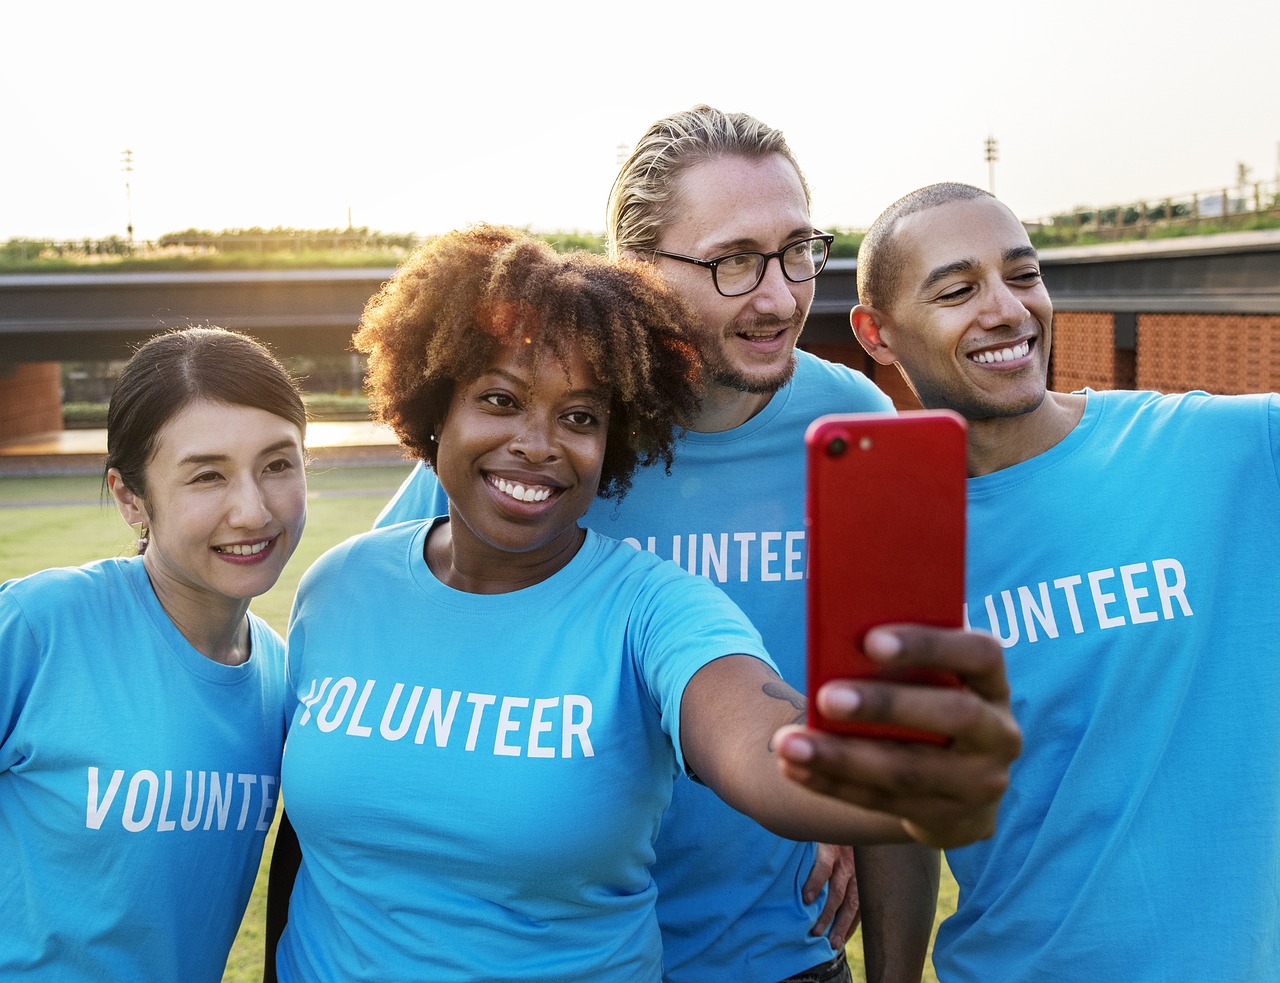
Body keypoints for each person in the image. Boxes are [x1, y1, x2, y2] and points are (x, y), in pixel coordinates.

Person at [271, 225, 1018, 983]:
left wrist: (893, 770)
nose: (538, 442)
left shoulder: (656, 607)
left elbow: (757, 741)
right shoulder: (338, 587)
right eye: (500, 399)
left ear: (616, 441)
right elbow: (305, 846)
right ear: (435, 409)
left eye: (581, 416)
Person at [376, 104, 943, 983]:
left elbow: (892, 726)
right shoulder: (540, 432)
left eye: (799, 250)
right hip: (547, 953)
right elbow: (386, 650)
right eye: (734, 261)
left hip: (776, 956)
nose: (781, 295)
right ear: (633, 270)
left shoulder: (856, 429)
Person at [850, 181, 1280, 981]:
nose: (1008, 310)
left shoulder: (1222, 450)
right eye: (957, 289)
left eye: (1023, 275)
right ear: (877, 332)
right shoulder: (888, 548)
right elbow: (899, 815)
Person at [0, 326, 308, 981]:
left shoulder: (284, 678)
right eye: (206, 476)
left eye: (278, 464)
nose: (253, 510)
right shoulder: (38, 625)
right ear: (129, 496)